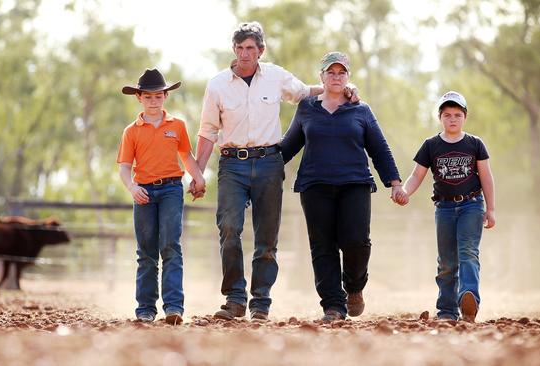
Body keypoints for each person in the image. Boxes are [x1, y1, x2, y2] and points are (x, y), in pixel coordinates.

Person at [194, 22, 357, 322]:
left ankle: (260, 303)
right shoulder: (217, 84)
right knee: (229, 229)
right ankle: (234, 299)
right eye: (240, 48)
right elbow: (207, 131)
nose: (245, 54)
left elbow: (305, 92)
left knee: (266, 238)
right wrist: (197, 173)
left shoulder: (275, 76)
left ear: (261, 51)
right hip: (231, 163)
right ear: (234, 49)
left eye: (251, 49)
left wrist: (341, 88)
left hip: (269, 162)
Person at [280, 52, 404, 322]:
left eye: (341, 73)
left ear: (348, 76)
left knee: (357, 241)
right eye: (330, 72)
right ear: (321, 76)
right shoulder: (307, 108)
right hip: (315, 185)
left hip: (354, 184)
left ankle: (355, 287)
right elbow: (288, 146)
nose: (336, 77)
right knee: (322, 246)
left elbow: (379, 148)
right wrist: (260, 169)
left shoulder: (361, 109)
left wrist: (394, 183)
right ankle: (333, 306)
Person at [117, 68, 206, 325]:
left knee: (170, 246)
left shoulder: (177, 126)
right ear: (139, 98)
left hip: (171, 189)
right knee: (146, 252)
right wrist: (132, 188)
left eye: (158, 96)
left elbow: (186, 156)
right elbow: (124, 167)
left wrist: (198, 176)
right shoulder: (131, 131)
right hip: (144, 191)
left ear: (165, 96)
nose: (153, 101)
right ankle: (145, 308)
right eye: (148, 97)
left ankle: (174, 307)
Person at [398, 91, 496, 322]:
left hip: (472, 205)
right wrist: (404, 191)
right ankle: (446, 310)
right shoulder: (431, 145)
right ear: (440, 117)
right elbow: (416, 175)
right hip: (444, 208)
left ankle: (469, 299)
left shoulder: (475, 144)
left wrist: (490, 209)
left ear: (465, 117)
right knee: (447, 261)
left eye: (457, 115)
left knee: (468, 252)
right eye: (447, 115)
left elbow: (486, 177)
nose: (452, 119)